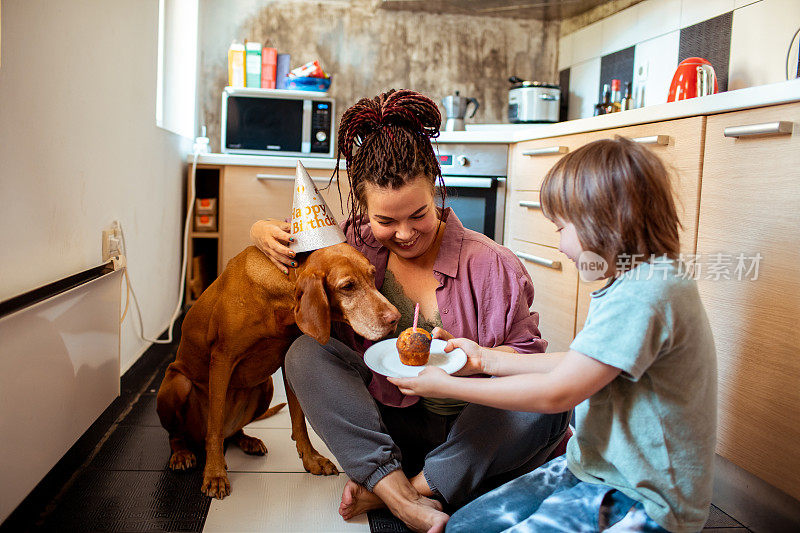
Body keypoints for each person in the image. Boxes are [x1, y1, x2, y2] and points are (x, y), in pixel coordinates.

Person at [250, 89, 570, 533]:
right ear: (363, 210)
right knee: (305, 354)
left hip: (473, 428)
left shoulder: (491, 263)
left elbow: (531, 364)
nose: (403, 234)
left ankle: (407, 490)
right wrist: (261, 230)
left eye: (418, 214)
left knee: (551, 405)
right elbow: (296, 266)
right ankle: (400, 486)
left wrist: (480, 356)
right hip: (388, 425)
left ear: (435, 188)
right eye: (385, 221)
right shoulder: (353, 245)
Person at [390, 137, 718, 533]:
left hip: (644, 500)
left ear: (604, 223)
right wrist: (487, 359)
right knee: (464, 525)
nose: (560, 245)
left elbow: (558, 392)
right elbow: (582, 361)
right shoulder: (637, 281)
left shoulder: (645, 294)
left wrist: (446, 384)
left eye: (562, 228)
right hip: (593, 470)